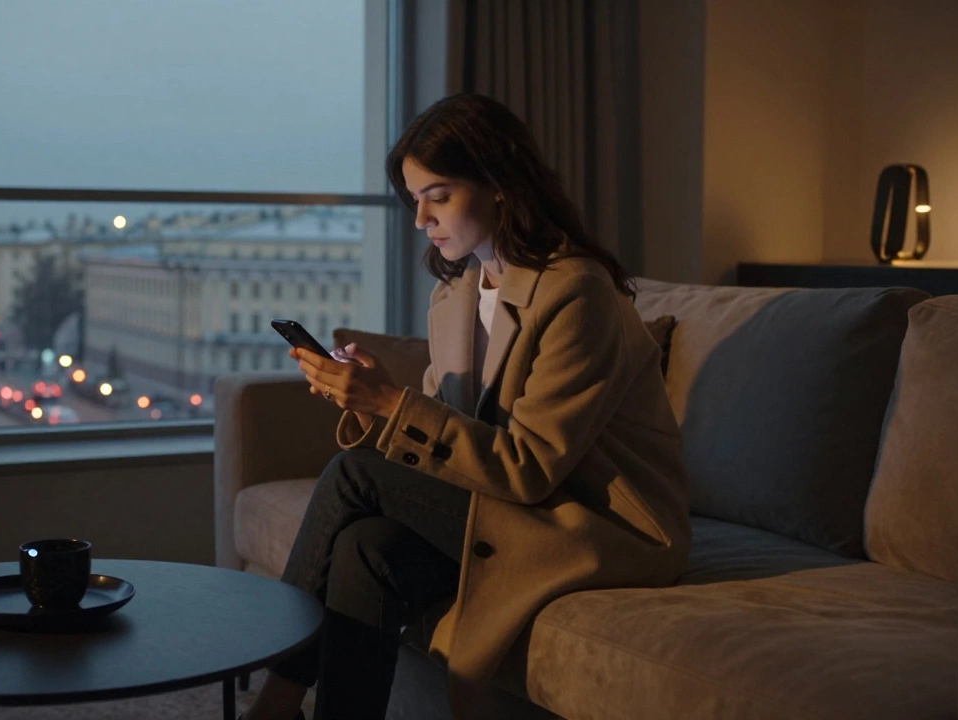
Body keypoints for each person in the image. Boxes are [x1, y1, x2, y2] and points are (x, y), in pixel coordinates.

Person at [241, 94, 691, 720]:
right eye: (415, 198)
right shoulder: (456, 294)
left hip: (592, 523)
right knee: (366, 547)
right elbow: (451, 439)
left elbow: (529, 467)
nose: (421, 217)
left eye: (440, 194)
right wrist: (378, 405)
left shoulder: (577, 291)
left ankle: (276, 701)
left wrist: (394, 406)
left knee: (354, 473)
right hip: (513, 505)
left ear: (501, 184)